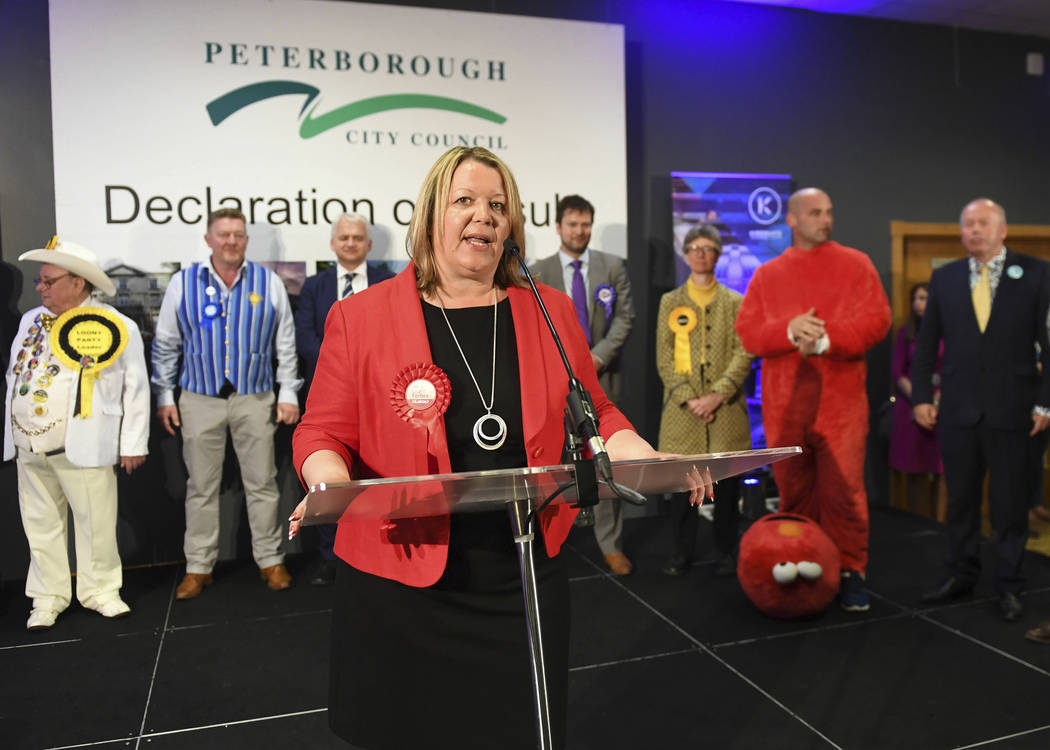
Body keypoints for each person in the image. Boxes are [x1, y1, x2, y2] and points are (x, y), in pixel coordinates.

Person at [288, 146, 709, 750]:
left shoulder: (550, 309)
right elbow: (322, 430)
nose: (484, 216)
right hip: (400, 579)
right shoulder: (359, 316)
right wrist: (331, 484)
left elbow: (597, 412)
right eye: (465, 200)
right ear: (431, 213)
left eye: (498, 205)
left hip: (522, 576)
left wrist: (641, 453)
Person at [735, 188, 890, 613]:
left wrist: (824, 338)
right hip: (786, 408)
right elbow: (748, 333)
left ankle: (851, 571)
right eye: (816, 213)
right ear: (792, 219)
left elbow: (877, 320)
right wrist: (789, 330)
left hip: (842, 408)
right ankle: (801, 567)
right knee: (793, 494)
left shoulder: (856, 264)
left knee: (845, 494)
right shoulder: (768, 275)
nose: (826, 219)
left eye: (829, 212)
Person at [152, 208, 302, 599]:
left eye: (238, 235)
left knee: (263, 484)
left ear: (246, 240)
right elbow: (167, 343)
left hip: (255, 397)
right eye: (224, 235)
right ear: (208, 240)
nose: (231, 241)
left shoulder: (267, 282)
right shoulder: (182, 283)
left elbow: (284, 343)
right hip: (199, 398)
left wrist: (288, 392)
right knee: (200, 487)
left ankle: (270, 559)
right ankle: (199, 566)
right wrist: (164, 395)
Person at [914, 198, 1050, 622]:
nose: (974, 230)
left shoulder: (1037, 273)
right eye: (968, 224)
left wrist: (1047, 400)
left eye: (984, 223)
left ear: (1003, 230)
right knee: (961, 501)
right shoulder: (945, 278)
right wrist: (921, 396)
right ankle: (961, 574)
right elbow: (926, 344)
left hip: (1015, 409)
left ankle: (1009, 585)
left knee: (1010, 505)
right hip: (957, 410)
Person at [4, 238, 149, 630]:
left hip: (83, 444)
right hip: (30, 443)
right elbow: (14, 378)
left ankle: (101, 590)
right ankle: (47, 597)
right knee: (40, 524)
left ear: (79, 283)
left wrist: (133, 442)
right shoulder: (30, 320)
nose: (41, 288)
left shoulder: (116, 325)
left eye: (49, 281)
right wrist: (11, 437)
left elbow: (135, 387)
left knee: (95, 521)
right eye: (40, 281)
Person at [529, 195, 636, 575]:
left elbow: (625, 316)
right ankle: (555, 539)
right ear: (558, 227)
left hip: (602, 379)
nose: (580, 231)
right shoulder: (537, 271)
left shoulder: (612, 267)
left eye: (586, 224)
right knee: (555, 462)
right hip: (552, 384)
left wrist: (598, 357)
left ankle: (610, 544)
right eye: (573, 224)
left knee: (606, 460)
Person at [294, 212, 394, 585]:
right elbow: (305, 335)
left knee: (375, 472)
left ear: (368, 244)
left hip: (384, 395)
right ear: (333, 244)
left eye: (357, 238)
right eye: (344, 238)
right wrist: (342, 370)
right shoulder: (314, 287)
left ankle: (376, 552)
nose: (350, 243)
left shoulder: (390, 282)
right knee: (328, 474)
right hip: (329, 393)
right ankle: (329, 558)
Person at [656, 224, 753, 577]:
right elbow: (664, 357)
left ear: (718, 254)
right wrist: (690, 398)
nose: (701, 253)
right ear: (686, 254)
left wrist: (718, 395)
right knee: (683, 492)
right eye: (695, 248)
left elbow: (745, 352)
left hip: (726, 411)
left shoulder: (736, 302)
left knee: (727, 490)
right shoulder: (670, 302)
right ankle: (681, 553)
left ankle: (726, 551)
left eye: (709, 248)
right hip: (683, 415)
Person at [889, 282, 947, 520]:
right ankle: (918, 521)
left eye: (924, 298)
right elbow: (897, 371)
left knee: (945, 470)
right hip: (910, 406)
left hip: (943, 404)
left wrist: (935, 400)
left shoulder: (951, 331)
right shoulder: (906, 332)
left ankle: (942, 524)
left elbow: (954, 367)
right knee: (915, 469)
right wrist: (920, 400)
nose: (919, 303)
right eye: (916, 298)